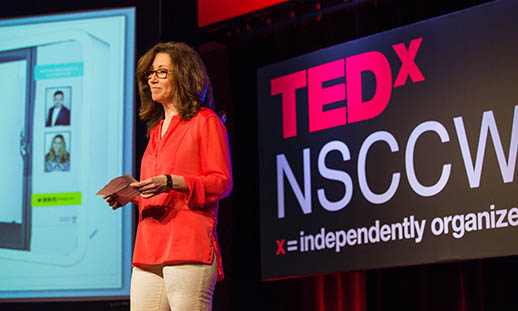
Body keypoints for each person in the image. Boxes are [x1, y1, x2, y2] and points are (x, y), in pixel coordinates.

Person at [102, 42, 232, 311]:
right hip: (148, 251)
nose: (152, 78)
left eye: (162, 71)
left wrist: (173, 181)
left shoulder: (205, 122)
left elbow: (221, 182)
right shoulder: (155, 132)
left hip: (188, 248)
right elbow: (158, 192)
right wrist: (132, 196)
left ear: (183, 75)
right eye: (150, 72)